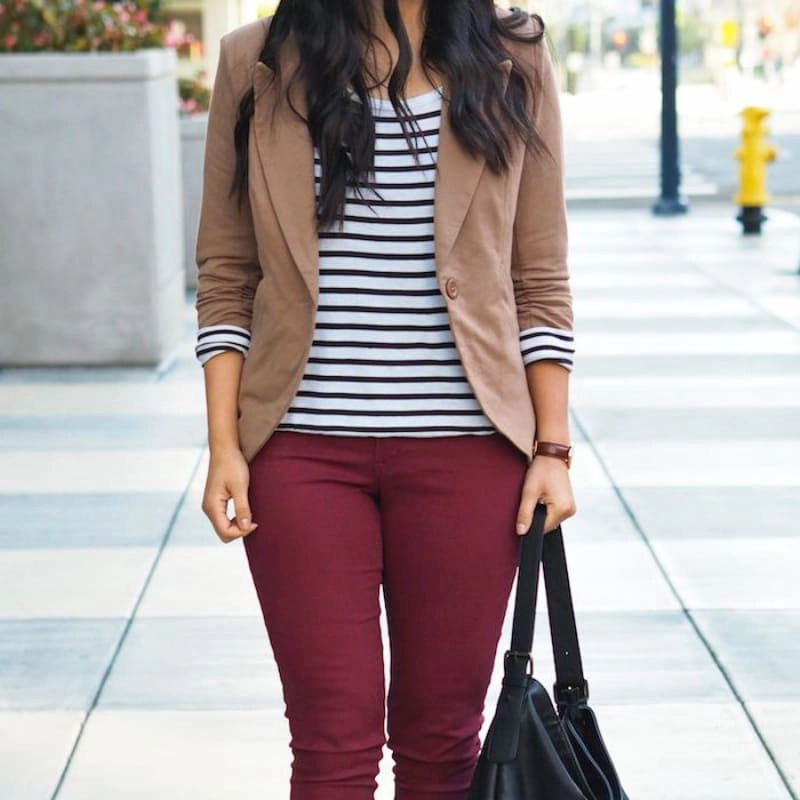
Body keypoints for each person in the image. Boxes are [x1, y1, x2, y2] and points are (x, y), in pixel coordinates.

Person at [194, 2, 576, 798]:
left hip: (469, 454)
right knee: (332, 743)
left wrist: (551, 448)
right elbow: (228, 276)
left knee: (443, 744)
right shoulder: (256, 62)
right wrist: (224, 446)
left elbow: (537, 280)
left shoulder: (512, 58)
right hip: (299, 452)